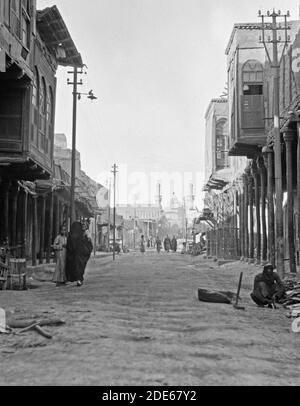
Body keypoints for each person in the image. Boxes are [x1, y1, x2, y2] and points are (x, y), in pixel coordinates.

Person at [65, 221, 93, 287]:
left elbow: (89, 244)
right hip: (78, 254)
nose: (83, 227)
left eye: (85, 225)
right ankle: (79, 279)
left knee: (80, 267)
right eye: (83, 225)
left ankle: (79, 279)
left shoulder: (86, 233)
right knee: (78, 267)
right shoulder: (78, 234)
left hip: (81, 254)